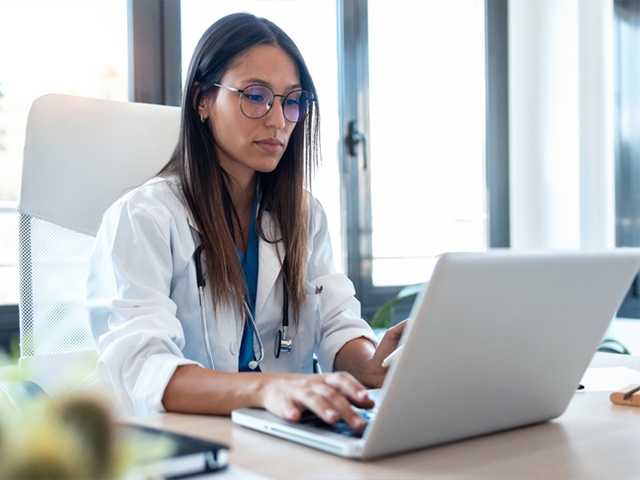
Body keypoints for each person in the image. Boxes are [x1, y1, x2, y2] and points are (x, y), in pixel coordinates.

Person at [87, 12, 405, 432]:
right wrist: (267, 388)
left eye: (292, 101)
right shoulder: (144, 217)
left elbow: (336, 324)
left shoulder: (305, 216)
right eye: (256, 96)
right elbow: (143, 367)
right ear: (203, 100)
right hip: (177, 447)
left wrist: (378, 363)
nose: (279, 120)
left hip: (279, 440)